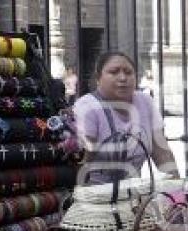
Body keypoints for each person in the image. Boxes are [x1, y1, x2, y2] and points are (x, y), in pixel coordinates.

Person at [74, 51, 179, 185]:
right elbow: (83, 163)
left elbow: (162, 153)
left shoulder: (145, 102)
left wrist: (176, 191)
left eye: (128, 72)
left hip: (134, 194)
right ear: (98, 78)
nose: (123, 78)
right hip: (95, 196)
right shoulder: (87, 107)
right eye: (114, 72)